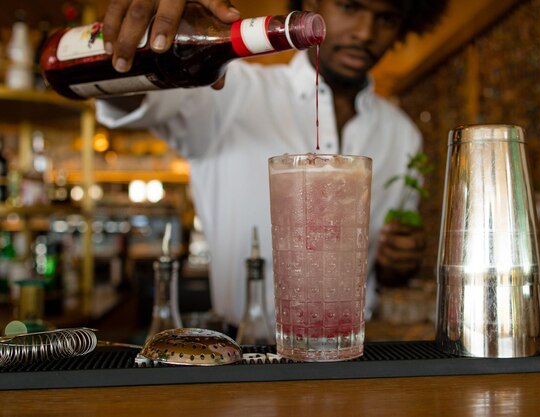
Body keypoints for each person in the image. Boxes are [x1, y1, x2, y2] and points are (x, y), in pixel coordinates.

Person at [96, 0, 449, 330]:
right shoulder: (229, 89)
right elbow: (131, 100)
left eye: (385, 18)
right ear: (310, 4)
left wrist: (395, 265)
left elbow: (386, 270)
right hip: (244, 350)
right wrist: (139, 46)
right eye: (350, 6)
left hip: (352, 347)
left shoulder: (403, 135)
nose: (365, 32)